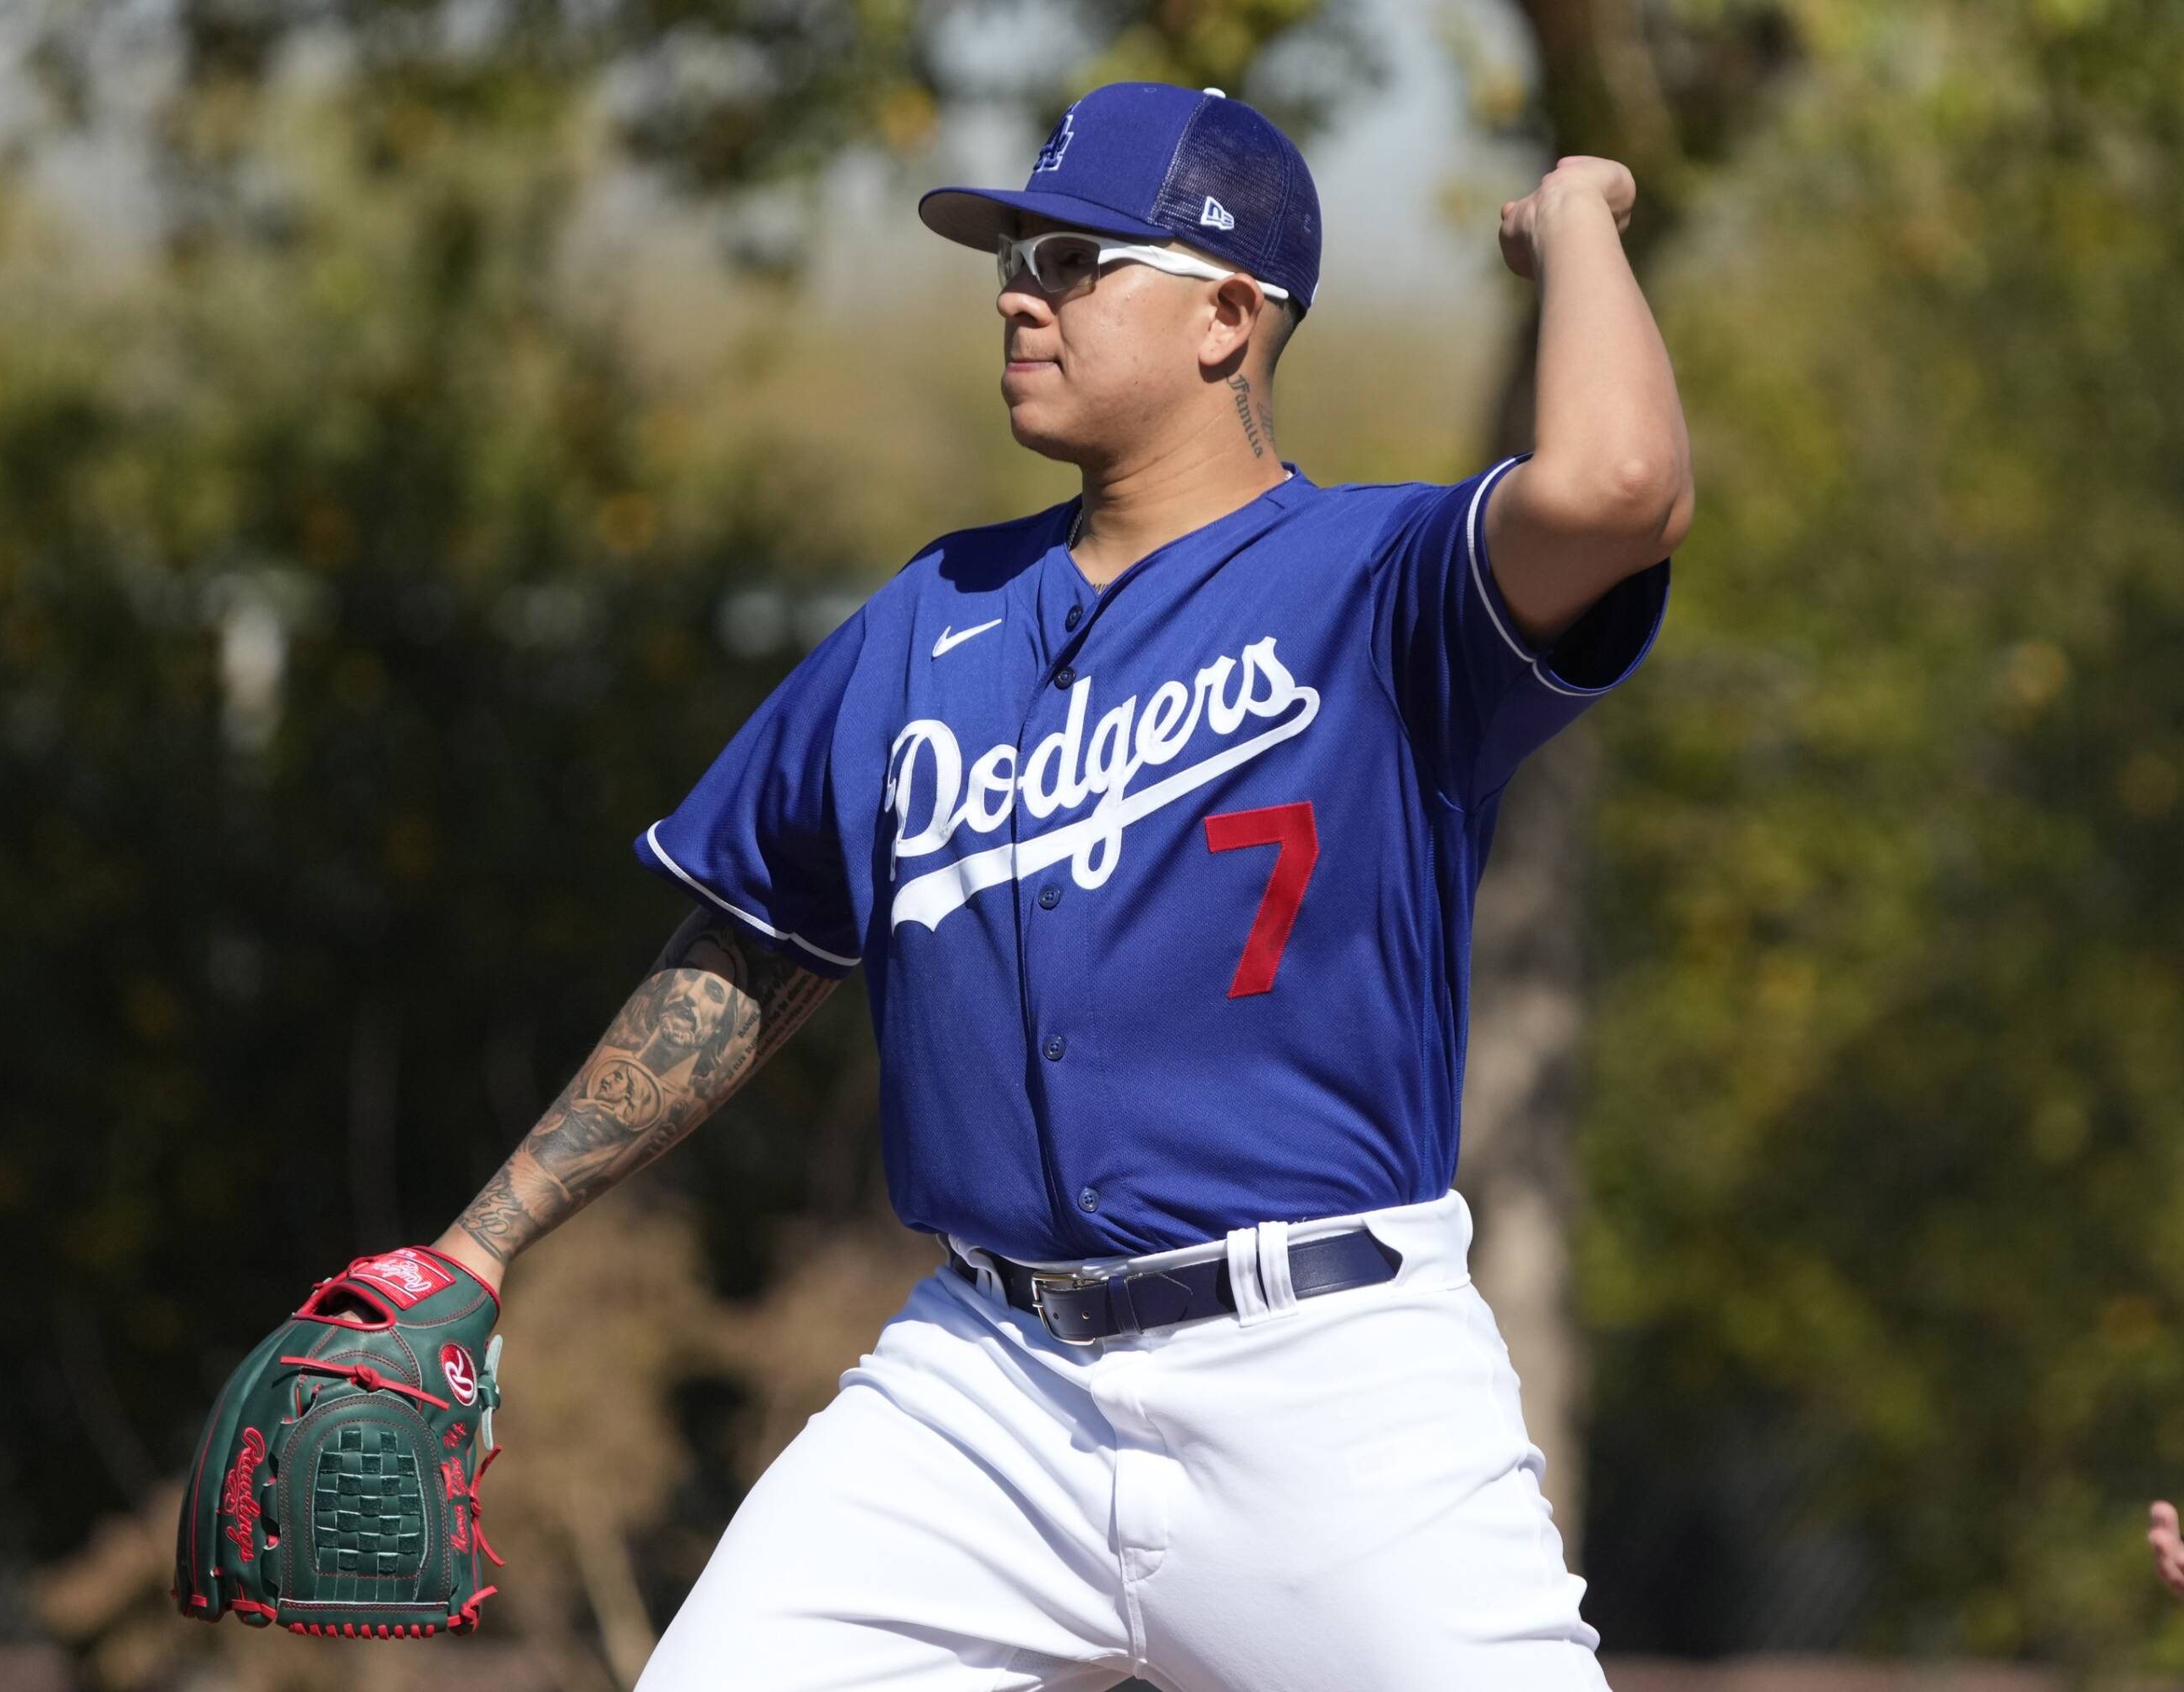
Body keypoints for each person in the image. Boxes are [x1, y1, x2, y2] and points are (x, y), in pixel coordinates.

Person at [431, 82, 1690, 1689]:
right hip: (987, 1388)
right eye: (1012, 254)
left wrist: (1578, 217)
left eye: (1077, 260)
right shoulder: (927, 618)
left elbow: (1622, 484)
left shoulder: (1382, 589)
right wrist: (482, 1243)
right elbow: (750, 950)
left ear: (1231, 317)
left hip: (1325, 1376)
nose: (1019, 290)